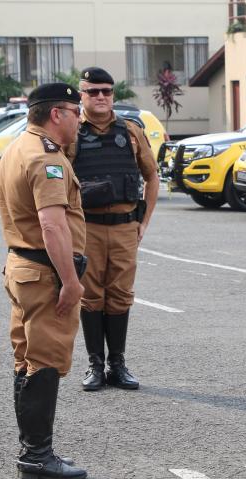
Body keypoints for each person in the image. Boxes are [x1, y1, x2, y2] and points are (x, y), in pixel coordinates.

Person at [0, 83, 88, 479]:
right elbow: (52, 225)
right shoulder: (45, 157)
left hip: (22, 267)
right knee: (45, 361)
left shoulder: (19, 146)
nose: (80, 118)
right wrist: (70, 281)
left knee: (27, 359)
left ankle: (31, 449)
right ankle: (37, 456)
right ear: (57, 114)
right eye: (76, 110)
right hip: (44, 274)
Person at [66, 67, 160, 392]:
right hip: (87, 229)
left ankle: (117, 364)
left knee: (120, 296)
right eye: (93, 91)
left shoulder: (131, 131)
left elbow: (152, 177)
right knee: (91, 296)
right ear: (82, 95)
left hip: (124, 228)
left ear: (113, 94)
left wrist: (143, 221)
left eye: (106, 90)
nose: (101, 96)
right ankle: (95, 364)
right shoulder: (71, 135)